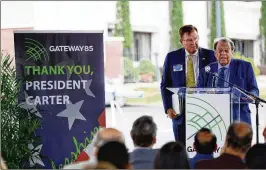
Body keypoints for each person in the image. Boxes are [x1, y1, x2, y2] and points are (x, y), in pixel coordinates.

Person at [161, 25, 216, 144]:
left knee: (205, 146)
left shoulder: (210, 55)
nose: (194, 42)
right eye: (189, 40)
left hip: (204, 108)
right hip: (180, 111)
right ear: (181, 41)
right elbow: (165, 84)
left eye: (196, 38)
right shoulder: (172, 57)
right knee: (181, 147)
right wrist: (168, 108)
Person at [197, 37, 259, 124]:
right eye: (220, 50)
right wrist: (207, 92)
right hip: (213, 117)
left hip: (239, 118)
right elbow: (198, 91)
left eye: (226, 50)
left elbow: (254, 89)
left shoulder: (245, 67)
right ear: (215, 53)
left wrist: (251, 96)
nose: (223, 53)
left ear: (232, 52)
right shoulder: (206, 70)